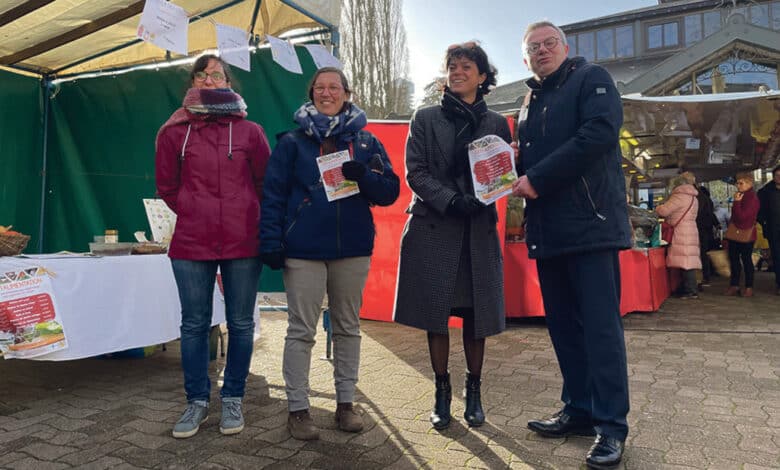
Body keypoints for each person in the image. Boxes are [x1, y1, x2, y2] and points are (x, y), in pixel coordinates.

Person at [510, 21, 632, 469]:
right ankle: (579, 409)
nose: (541, 51)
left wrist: (536, 178)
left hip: (591, 227)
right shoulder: (529, 100)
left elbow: (598, 135)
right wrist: (507, 163)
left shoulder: (592, 79)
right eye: (532, 47)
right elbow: (530, 159)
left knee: (601, 331)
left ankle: (611, 427)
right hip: (550, 231)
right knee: (563, 328)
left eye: (548, 44)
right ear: (525, 59)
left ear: (565, 47)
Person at [260, 67, 400, 440]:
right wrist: (271, 240)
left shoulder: (366, 142)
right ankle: (298, 410)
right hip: (303, 251)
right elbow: (272, 195)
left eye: (333, 87)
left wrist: (364, 176)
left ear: (345, 93)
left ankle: (345, 405)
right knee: (301, 330)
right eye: (320, 87)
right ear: (311, 94)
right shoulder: (291, 142)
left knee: (348, 329)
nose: (326, 93)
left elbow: (390, 192)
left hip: (352, 250)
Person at [393, 42, 510, 430]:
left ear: (482, 76)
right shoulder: (424, 117)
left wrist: (485, 196)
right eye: (452, 66)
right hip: (434, 225)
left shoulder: (496, 122)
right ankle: (442, 390)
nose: (457, 71)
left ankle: (474, 391)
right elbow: (416, 172)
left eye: (466, 66)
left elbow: (498, 173)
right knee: (436, 314)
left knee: (477, 313)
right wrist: (451, 200)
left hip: (477, 228)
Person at [155, 54, 271, 438]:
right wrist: (193, 210)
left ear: (228, 82)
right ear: (194, 80)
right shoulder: (174, 131)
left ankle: (233, 397)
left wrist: (244, 214)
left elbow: (263, 183)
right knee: (193, 324)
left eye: (216, 74)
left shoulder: (251, 132)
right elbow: (167, 187)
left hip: (243, 241)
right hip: (191, 242)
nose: (208, 79)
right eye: (202, 74)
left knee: (239, 323)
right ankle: (197, 402)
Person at [656, 176, 701, 299]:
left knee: (685, 262)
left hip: (681, 231)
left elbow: (664, 211)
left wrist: (658, 207)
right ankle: (689, 288)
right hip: (690, 229)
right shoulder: (693, 198)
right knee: (687, 260)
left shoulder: (679, 196)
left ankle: (690, 290)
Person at [724, 173, 760, 297]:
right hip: (735, 233)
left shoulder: (752, 198)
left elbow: (742, 217)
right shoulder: (740, 195)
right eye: (737, 183)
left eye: (741, 183)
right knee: (733, 259)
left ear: (749, 183)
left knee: (746, 260)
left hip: (747, 234)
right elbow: (734, 217)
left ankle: (749, 287)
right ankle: (734, 285)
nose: (738, 185)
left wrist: (737, 203)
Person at [757, 165, 780, 295]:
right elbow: (759, 212)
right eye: (777, 175)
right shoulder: (765, 191)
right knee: (777, 257)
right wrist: (765, 224)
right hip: (773, 231)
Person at [695, 185, 719, 287]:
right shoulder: (708, 200)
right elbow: (712, 214)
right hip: (707, 229)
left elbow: (699, 214)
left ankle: (703, 277)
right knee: (705, 253)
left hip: (699, 229)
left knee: (701, 253)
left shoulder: (698, 199)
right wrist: (716, 224)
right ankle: (707, 275)